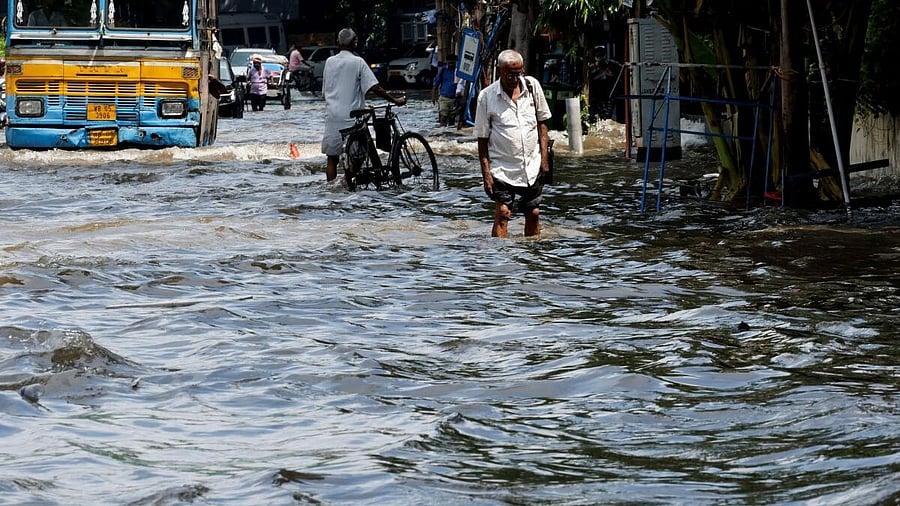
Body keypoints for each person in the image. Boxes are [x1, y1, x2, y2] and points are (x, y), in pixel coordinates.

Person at [475, 49, 552, 238]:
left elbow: (542, 125)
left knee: (533, 213)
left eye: (518, 73)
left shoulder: (533, 87)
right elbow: (482, 139)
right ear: (500, 71)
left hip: (531, 165)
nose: (514, 78)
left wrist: (544, 159)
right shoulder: (487, 97)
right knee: (503, 213)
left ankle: (532, 255)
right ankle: (499, 258)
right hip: (502, 167)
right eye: (510, 74)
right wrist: (486, 174)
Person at [321, 28, 406, 183]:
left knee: (332, 159)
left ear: (338, 43)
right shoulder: (358, 62)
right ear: (355, 44)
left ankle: (331, 190)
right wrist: (395, 100)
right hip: (351, 117)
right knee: (360, 154)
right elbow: (375, 88)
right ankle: (349, 180)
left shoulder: (329, 62)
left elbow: (325, 90)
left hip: (332, 116)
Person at [432, 54, 460, 127]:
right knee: (443, 117)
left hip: (455, 99)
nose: (451, 64)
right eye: (449, 62)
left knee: (452, 119)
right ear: (447, 62)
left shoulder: (458, 71)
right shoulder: (443, 70)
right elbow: (436, 84)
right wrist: (433, 97)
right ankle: (441, 132)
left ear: (455, 62)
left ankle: (449, 135)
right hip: (444, 98)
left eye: (452, 62)